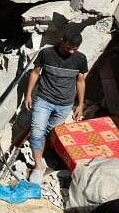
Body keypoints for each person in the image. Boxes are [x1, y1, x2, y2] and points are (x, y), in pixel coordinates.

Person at [25, 30, 87, 184]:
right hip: (44, 100)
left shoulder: (80, 59)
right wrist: (28, 94)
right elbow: (35, 73)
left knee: (48, 132)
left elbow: (80, 81)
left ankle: (42, 154)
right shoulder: (46, 54)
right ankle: (38, 167)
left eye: (75, 49)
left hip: (65, 105)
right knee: (37, 131)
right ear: (61, 40)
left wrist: (80, 104)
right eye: (68, 48)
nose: (71, 51)